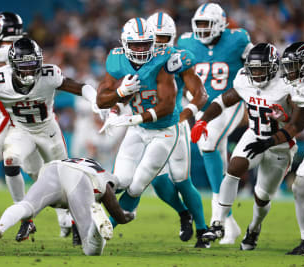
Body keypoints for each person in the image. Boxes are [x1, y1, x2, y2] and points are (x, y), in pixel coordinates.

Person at [0, 37, 102, 241]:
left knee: (65, 179)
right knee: (10, 160)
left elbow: (79, 86)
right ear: (13, 65)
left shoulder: (49, 74)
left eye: (32, 65)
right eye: (23, 66)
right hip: (21, 130)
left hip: (47, 129)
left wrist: (94, 99)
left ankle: (76, 222)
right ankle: (26, 220)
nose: (28, 71)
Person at [0, 12, 73, 239]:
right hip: (21, 120)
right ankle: (63, 218)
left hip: (11, 121)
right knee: (38, 172)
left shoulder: (0, 53)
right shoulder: (29, 47)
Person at [193, 43, 297, 251]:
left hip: (280, 145)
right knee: (233, 169)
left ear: (274, 67)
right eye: (253, 69)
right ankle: (218, 223)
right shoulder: (243, 79)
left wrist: (285, 117)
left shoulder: (287, 84)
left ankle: (254, 228)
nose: (256, 74)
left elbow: (301, 122)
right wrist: (203, 120)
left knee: (262, 196)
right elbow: (222, 101)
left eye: (261, 69)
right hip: (254, 135)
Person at [244, 42, 304, 255]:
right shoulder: (302, 84)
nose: (289, 70)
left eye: (294, 65)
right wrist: (268, 142)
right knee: (300, 186)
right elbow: (297, 125)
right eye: (288, 65)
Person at [177, 2, 253, 244]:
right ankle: (226, 220)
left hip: (229, 103)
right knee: (213, 154)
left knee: (208, 144)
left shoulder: (238, 39)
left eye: (206, 24)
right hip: (201, 108)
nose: (201, 29)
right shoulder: (186, 43)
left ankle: (219, 216)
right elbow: (178, 75)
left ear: (220, 24)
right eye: (198, 24)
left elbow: (255, 66)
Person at [96, 18, 179, 231]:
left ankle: (106, 229)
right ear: (125, 43)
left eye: (145, 44)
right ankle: (87, 206)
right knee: (121, 179)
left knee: (138, 183)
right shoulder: (116, 60)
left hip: (164, 131)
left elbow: (168, 105)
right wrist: (119, 94)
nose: (141, 49)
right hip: (137, 130)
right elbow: (101, 100)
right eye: (135, 44)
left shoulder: (163, 60)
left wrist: (135, 118)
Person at [0, 158, 135, 256]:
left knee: (26, 206)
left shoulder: (83, 161)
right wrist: (125, 216)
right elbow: (113, 203)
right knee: (91, 249)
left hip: (54, 169)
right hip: (80, 179)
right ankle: (97, 220)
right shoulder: (108, 177)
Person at [146, 11, 210, 248]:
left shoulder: (179, 58)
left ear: (171, 38)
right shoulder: (136, 56)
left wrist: (185, 115)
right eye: (156, 37)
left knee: (182, 180)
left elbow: (201, 94)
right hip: (147, 126)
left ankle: (203, 230)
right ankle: (184, 213)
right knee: (157, 181)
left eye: (165, 37)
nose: (161, 42)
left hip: (173, 123)